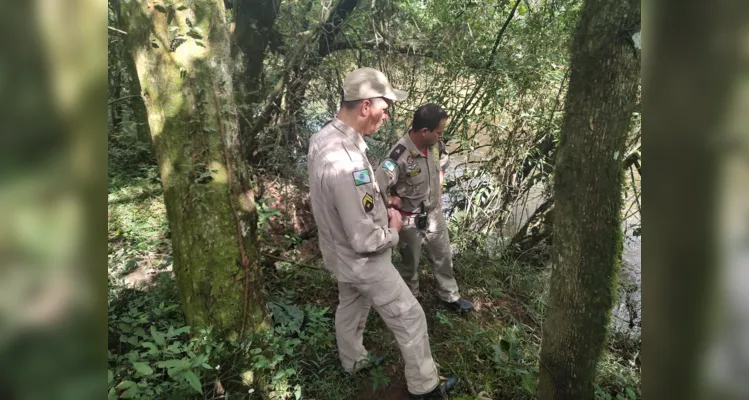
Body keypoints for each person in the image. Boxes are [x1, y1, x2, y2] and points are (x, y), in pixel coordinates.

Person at [307, 68, 457, 399]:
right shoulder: (347, 161)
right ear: (365, 106)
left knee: (351, 306)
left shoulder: (323, 139)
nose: (387, 115)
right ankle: (426, 387)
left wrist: (379, 202)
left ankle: (353, 361)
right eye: (384, 107)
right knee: (412, 318)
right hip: (364, 260)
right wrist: (392, 228)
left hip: (337, 253)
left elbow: (339, 204)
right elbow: (364, 239)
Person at [375, 103, 474, 313]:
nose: (442, 136)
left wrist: (438, 183)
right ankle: (411, 302)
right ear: (424, 131)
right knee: (410, 265)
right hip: (409, 222)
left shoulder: (434, 145)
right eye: (439, 132)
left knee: (444, 256)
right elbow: (376, 190)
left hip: (434, 216)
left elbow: (442, 162)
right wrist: (394, 203)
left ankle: (450, 297)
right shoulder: (397, 157)